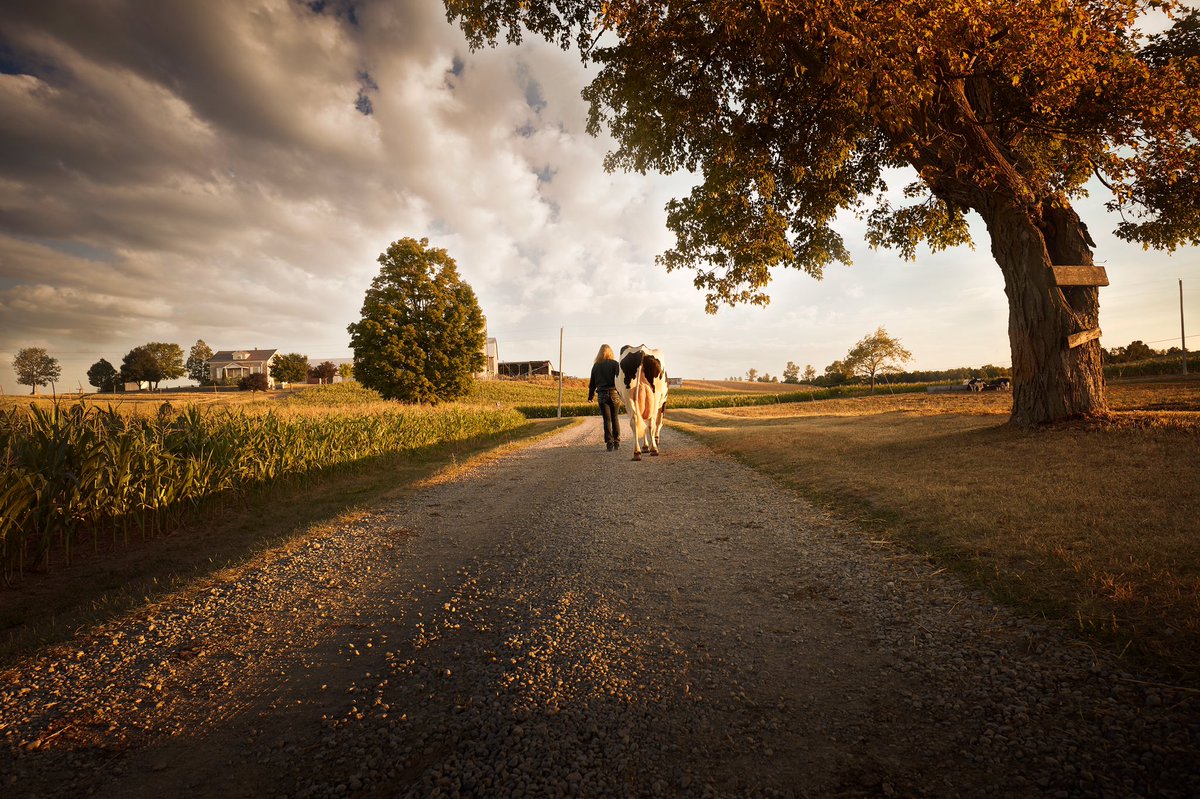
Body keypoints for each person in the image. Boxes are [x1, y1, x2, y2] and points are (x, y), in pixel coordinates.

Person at [588, 344, 621, 451]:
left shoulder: (596, 366)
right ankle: (617, 442)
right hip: (614, 394)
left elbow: (592, 383)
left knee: (607, 420)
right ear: (610, 352)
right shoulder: (615, 364)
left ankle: (609, 444)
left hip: (602, 395)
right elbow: (619, 381)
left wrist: (590, 396)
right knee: (615, 418)